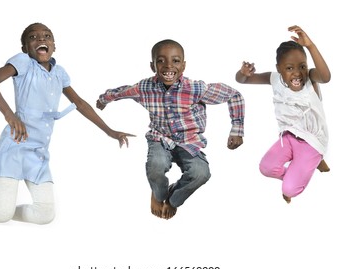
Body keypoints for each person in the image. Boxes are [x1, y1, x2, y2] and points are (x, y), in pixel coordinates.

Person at [0, 23, 134, 242]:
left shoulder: (60, 73)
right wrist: (10, 115)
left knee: (45, 214)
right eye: (34, 37)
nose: (41, 39)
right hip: (15, 146)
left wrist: (110, 131)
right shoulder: (23, 63)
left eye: (47, 36)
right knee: (3, 213)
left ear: (54, 46)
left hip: (38, 152)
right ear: (25, 47)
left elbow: (80, 103)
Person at [97, 39, 245, 219]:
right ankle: (158, 195)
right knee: (156, 167)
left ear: (183, 65)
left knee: (201, 174)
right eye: (161, 61)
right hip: (160, 138)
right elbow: (122, 92)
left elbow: (234, 95)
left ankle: (173, 199)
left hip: (188, 140)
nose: (168, 66)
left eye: (175, 61)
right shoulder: (145, 87)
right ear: (153, 66)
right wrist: (104, 99)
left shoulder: (196, 88)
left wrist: (237, 130)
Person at [235, 25, 330, 203]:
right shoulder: (274, 79)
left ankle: (310, 164)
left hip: (313, 141)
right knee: (266, 168)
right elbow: (243, 80)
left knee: (289, 189)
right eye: (289, 68)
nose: (297, 73)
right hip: (288, 137)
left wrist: (310, 46)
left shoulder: (310, 78)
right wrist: (242, 73)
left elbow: (326, 77)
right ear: (279, 69)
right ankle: (304, 169)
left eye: (302, 66)